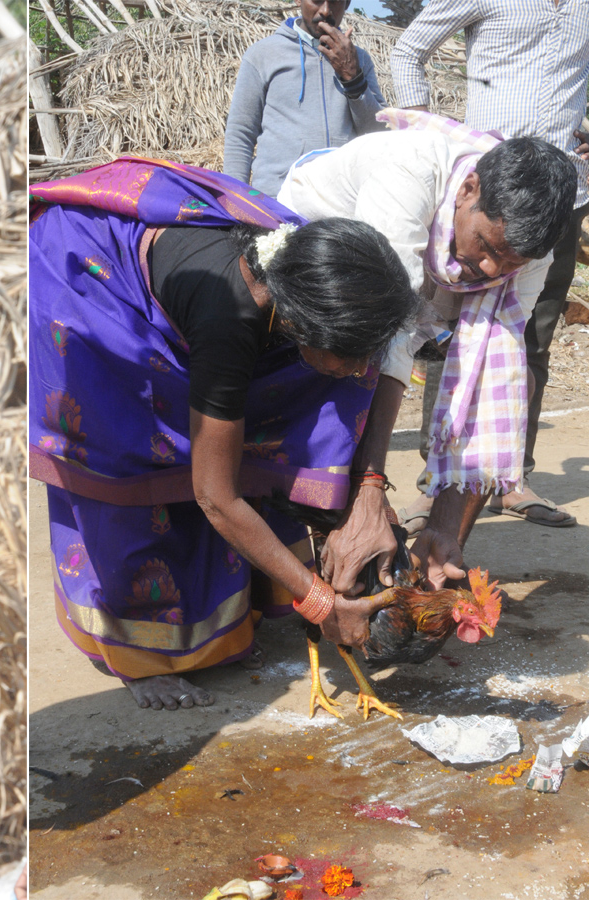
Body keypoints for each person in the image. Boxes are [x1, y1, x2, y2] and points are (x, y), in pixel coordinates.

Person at [29, 158, 418, 711]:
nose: (358, 368)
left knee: (313, 399)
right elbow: (216, 497)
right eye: (347, 352)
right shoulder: (229, 322)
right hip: (87, 287)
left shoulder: (311, 263)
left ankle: (239, 601)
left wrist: (369, 487)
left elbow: (349, 373)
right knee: (140, 467)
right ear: (300, 323)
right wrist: (322, 605)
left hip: (187, 285)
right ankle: (138, 655)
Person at [277, 113, 577, 598]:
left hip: (384, 298)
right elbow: (387, 337)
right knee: (318, 404)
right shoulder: (409, 173)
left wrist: (445, 532)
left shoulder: (528, 250)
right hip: (319, 265)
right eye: (485, 246)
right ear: (468, 190)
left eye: (510, 263)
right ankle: (299, 560)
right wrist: (371, 485)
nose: (490, 270)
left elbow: (492, 385)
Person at [390, 0, 589, 529]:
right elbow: (410, 48)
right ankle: (436, 484)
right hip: (488, 206)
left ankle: (509, 475)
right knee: (453, 335)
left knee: (528, 338)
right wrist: (423, 131)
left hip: (560, 204)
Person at [223, 0, 385, 196]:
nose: (325, 11)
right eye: (316, 0)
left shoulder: (359, 59)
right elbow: (241, 133)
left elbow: (380, 136)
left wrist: (353, 78)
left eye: (335, 2)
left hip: (343, 200)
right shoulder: (264, 54)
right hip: (279, 199)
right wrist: (234, 201)